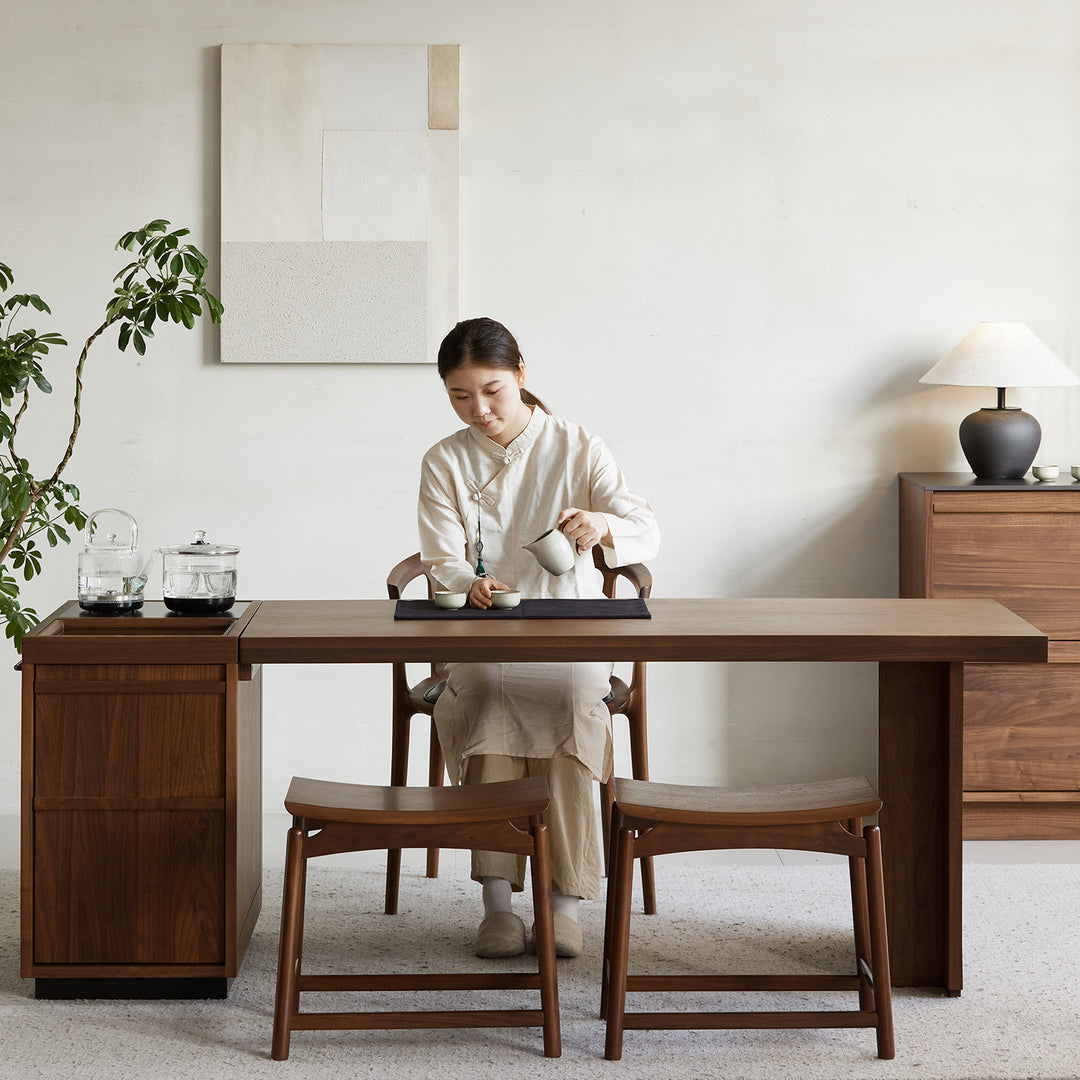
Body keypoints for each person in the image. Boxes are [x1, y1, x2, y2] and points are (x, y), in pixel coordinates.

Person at [417, 317, 660, 959]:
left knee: (573, 708)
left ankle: (564, 906)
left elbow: (645, 526)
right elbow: (440, 557)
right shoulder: (444, 460)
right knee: (482, 702)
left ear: (521, 375)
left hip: (570, 628)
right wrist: (467, 582)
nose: (480, 409)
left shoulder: (577, 445)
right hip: (483, 632)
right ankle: (498, 907)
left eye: (492, 390)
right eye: (461, 396)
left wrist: (600, 525)